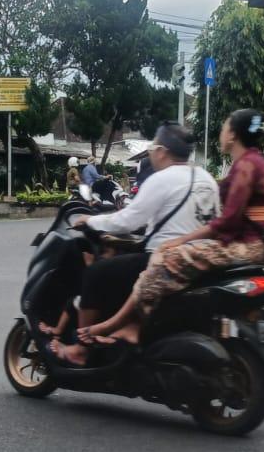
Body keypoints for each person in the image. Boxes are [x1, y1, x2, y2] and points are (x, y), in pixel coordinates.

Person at [82, 109, 264, 347]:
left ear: (233, 135)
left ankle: (122, 326)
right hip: (249, 243)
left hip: (246, 246)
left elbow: (227, 221)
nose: (221, 132)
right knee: (166, 255)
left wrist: (181, 240)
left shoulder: (246, 165)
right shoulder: (241, 165)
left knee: (165, 258)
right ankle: (134, 324)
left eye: (225, 127)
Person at [44, 123, 218, 364]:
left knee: (95, 273)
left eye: (152, 148)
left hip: (163, 260)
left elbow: (129, 220)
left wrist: (90, 221)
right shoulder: (207, 178)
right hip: (199, 258)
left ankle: (81, 350)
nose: (151, 153)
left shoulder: (162, 179)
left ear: (162, 151)